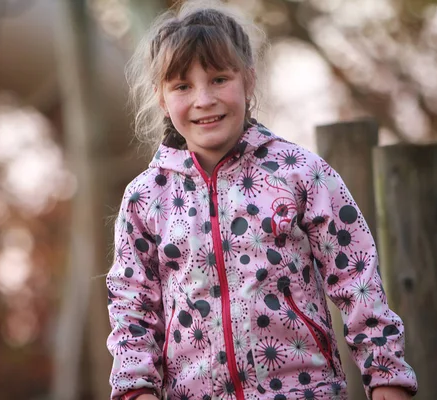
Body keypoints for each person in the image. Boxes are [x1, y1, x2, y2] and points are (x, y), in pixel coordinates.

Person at [106, 2, 418, 399]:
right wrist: (138, 391)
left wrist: (388, 379)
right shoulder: (145, 198)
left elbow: (359, 283)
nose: (203, 99)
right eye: (183, 86)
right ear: (162, 98)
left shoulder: (300, 173)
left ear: (249, 80)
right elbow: (132, 312)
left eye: (219, 79)